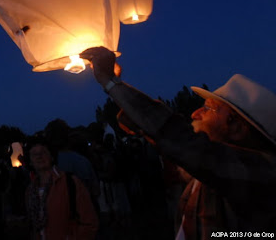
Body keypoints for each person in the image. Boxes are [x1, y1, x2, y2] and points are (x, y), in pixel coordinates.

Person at [80, 46, 276, 239]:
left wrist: (112, 83)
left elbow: (183, 142)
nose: (195, 113)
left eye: (208, 109)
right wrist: (137, 118)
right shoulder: (215, 172)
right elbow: (176, 146)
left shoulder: (264, 173)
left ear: (237, 128)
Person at [24, 138, 98, 240]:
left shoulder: (70, 183)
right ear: (30, 161)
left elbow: (89, 222)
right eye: (34, 154)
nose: (39, 156)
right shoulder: (30, 191)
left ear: (52, 156)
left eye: (43, 152)